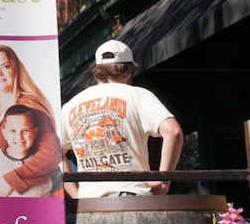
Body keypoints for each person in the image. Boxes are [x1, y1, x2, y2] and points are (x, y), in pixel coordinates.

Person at [59, 40, 183, 198]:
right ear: (129, 70)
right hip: (129, 195)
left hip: (87, 202)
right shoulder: (138, 96)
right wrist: (163, 181)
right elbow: (173, 132)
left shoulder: (71, 105)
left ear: (97, 70)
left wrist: (75, 193)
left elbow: (54, 155)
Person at [0, 44, 64, 197]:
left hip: (15, 194)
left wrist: (13, 180)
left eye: (5, 67)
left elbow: (52, 153)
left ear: (15, 67)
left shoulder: (30, 105)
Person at [0, 106, 63, 197]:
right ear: (4, 133)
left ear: (35, 132)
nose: (19, 137)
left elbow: (59, 197)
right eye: (13, 131)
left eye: (25, 130)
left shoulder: (47, 163)